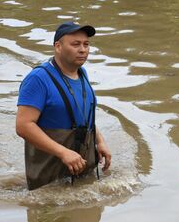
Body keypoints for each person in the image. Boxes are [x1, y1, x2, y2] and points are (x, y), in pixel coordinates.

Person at [15, 21, 111, 190]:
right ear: (58, 46)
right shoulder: (38, 79)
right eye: (75, 44)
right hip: (49, 180)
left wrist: (100, 141)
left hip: (83, 170)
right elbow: (23, 126)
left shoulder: (82, 74)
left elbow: (83, 115)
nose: (83, 49)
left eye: (86, 44)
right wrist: (63, 152)